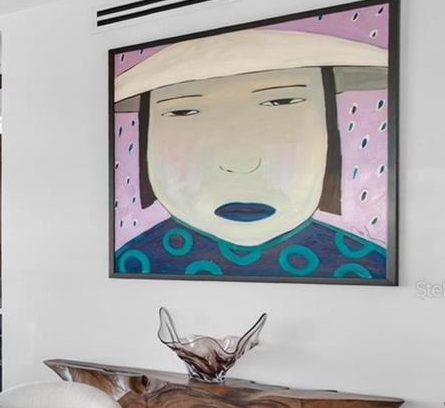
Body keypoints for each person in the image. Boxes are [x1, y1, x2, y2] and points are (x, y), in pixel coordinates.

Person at [113, 28, 388, 279]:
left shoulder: (370, 267)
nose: (240, 164)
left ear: (328, 128)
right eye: (183, 112)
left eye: (282, 102)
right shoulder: (132, 264)